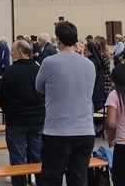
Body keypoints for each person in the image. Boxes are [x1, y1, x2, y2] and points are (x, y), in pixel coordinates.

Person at [35, 21, 95, 186]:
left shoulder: (49, 62)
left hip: (57, 130)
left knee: (51, 179)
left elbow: (39, 87)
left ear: (58, 40)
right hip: (85, 130)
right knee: (78, 178)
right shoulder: (89, 65)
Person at [0, 39, 45, 186]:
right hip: (37, 119)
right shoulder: (38, 69)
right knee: (38, 156)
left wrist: (9, 111)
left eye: (12, 51)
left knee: (18, 159)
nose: (11, 53)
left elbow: (2, 97)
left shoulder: (10, 71)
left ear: (19, 53)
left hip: (17, 120)